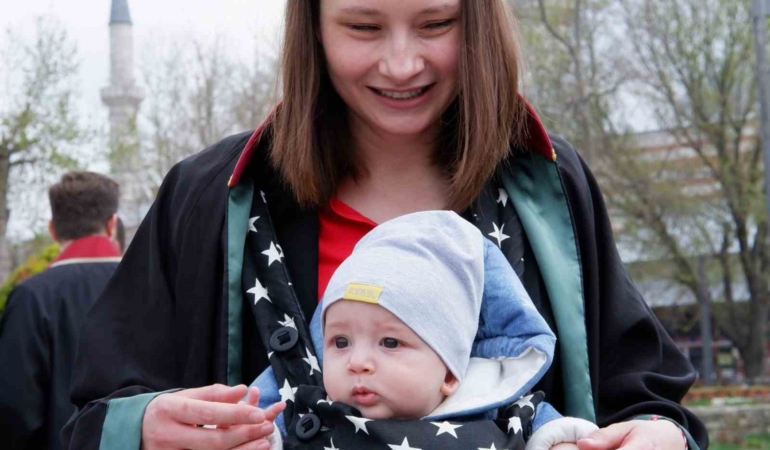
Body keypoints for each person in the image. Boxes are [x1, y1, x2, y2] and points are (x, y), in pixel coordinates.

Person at [62, 1, 708, 449]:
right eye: (364, 27)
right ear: (311, 27)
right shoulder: (210, 196)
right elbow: (89, 417)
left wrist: (660, 435)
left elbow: (646, 397)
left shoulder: (550, 185)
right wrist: (144, 428)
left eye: (437, 23)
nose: (401, 65)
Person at [250, 211, 599, 449]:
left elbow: (557, 435)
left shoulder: (495, 403)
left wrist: (562, 440)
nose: (357, 362)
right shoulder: (309, 408)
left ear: (449, 372)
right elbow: (255, 427)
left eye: (389, 342)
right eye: (340, 341)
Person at [0, 171, 123, 450]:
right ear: (111, 224)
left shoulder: (31, 296)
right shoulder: (152, 283)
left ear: (53, 229)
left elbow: (15, 407)